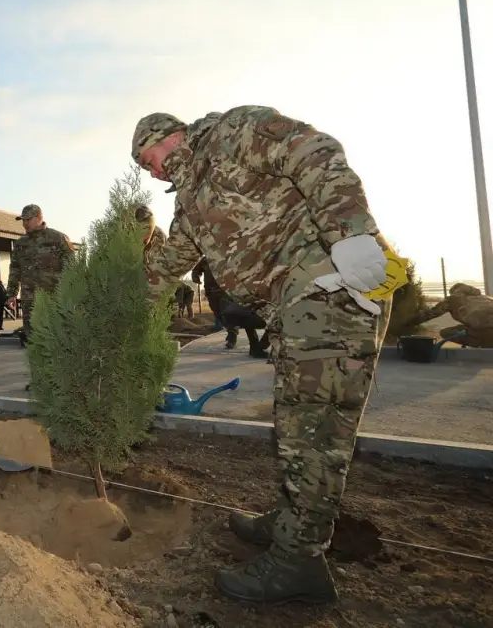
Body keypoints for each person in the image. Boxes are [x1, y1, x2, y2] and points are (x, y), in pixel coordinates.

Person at [131, 106, 391, 605]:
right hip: (294, 305)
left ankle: (298, 564)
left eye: (149, 158)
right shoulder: (190, 203)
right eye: (146, 169)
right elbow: (164, 267)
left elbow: (312, 151)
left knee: (312, 431)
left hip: (330, 283)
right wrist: (119, 311)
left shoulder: (231, 132)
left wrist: (352, 231)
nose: (152, 170)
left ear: (171, 135)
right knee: (298, 424)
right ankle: (292, 522)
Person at [5, 204, 75, 347]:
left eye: (27, 220)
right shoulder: (20, 244)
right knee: (32, 341)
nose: (24, 224)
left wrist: (70, 295)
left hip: (53, 299)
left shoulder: (58, 238)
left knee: (55, 339)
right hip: (29, 300)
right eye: (22, 220)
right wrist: (12, 294)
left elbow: (72, 268)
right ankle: (37, 369)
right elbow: (15, 269)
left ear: (38, 218)